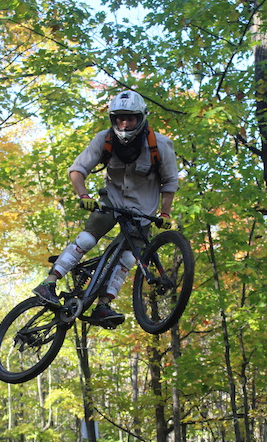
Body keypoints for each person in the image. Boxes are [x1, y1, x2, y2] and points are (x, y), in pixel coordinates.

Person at [33, 90, 179, 326]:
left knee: (130, 258)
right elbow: (77, 170)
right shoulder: (104, 139)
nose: (124, 123)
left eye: (130, 118)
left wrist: (165, 213)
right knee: (88, 239)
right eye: (119, 118)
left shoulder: (161, 146)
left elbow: (170, 183)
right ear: (112, 118)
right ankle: (48, 283)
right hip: (112, 201)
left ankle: (103, 306)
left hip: (142, 212)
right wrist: (84, 194)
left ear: (141, 117)